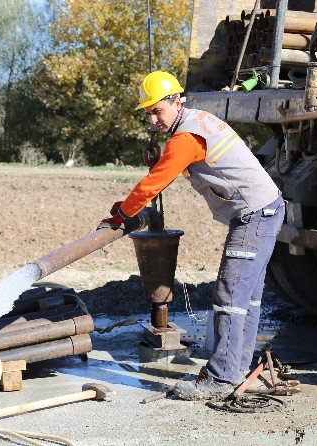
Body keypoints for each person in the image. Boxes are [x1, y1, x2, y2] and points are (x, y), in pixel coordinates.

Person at [98, 71, 285, 400]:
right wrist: (167, 160)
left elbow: (155, 182)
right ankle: (236, 369)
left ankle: (221, 377)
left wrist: (121, 214)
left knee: (229, 296)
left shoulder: (185, 138)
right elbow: (195, 163)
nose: (154, 118)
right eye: (149, 113)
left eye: (158, 110)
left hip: (254, 214)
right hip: (266, 208)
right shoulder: (198, 121)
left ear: (176, 101)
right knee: (246, 298)